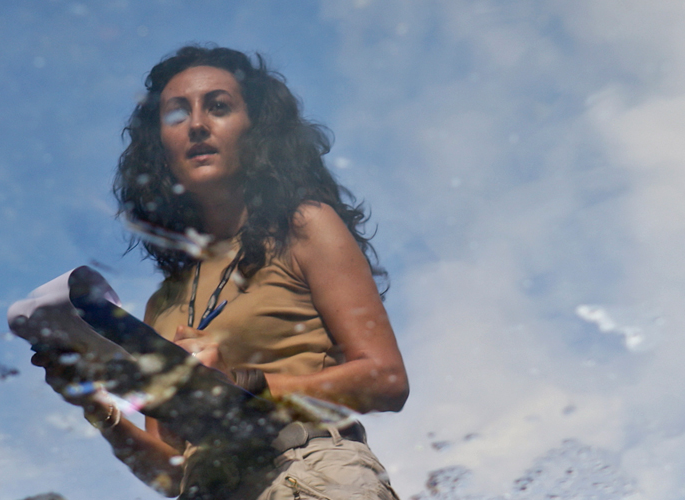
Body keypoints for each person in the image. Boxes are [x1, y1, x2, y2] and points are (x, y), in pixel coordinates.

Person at [37, 46, 409, 499]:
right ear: (160, 147)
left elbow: (387, 380)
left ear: (256, 131)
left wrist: (246, 385)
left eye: (218, 107)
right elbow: (171, 472)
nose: (197, 124)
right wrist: (92, 403)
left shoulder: (304, 226)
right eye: (177, 113)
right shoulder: (164, 302)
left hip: (308, 473)